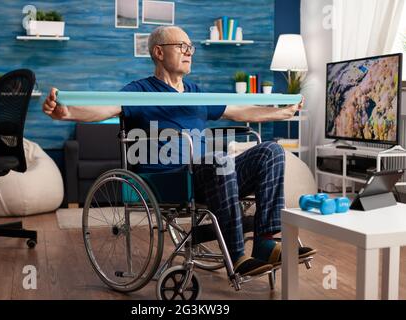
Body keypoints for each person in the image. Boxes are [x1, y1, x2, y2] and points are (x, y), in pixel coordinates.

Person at [43, 26, 316, 277]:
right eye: (181, 46)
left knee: (272, 152)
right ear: (158, 52)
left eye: (190, 47)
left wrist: (281, 112)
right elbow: (104, 108)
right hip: (167, 180)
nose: (189, 52)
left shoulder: (196, 93)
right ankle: (237, 256)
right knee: (219, 160)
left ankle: (266, 244)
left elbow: (239, 110)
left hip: (208, 177)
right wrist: (66, 112)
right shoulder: (140, 91)